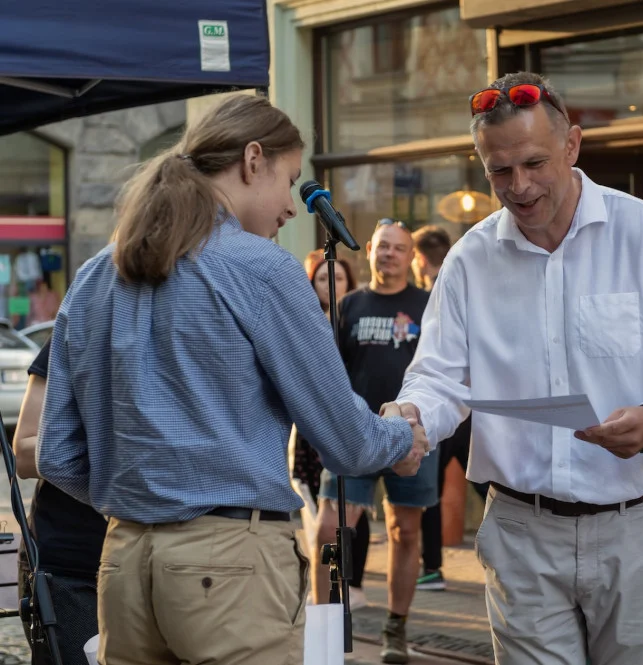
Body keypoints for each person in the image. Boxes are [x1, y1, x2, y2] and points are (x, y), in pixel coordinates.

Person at [34, 94, 427, 665]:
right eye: (289, 180)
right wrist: (401, 434)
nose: (292, 207)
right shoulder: (261, 268)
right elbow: (347, 441)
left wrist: (147, 500)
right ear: (252, 160)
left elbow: (57, 456)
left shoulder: (96, 273)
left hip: (124, 560)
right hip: (230, 562)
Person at [385, 71, 643, 664]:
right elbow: (439, 377)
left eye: (534, 163)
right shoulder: (470, 259)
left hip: (639, 527)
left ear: (572, 145)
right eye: (499, 171)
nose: (519, 186)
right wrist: (411, 415)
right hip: (521, 532)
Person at [312, 218, 437, 664]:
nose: (389, 254)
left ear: (411, 256)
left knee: (405, 531)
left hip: (414, 435)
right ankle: (325, 633)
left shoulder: (428, 304)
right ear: (369, 250)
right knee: (330, 529)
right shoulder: (349, 305)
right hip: (355, 434)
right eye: (383, 246)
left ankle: (395, 629)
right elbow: (327, 371)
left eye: (399, 248)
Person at [13, 337, 107, 665]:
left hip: (169, 559)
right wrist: (115, 444)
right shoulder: (77, 329)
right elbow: (24, 453)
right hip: (71, 567)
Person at [291, 249, 374, 609]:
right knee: (318, 506)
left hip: (349, 422)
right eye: (323, 278)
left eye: (337, 278)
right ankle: (324, 591)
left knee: (353, 506)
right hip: (312, 426)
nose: (330, 284)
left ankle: (353, 582)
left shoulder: (356, 320)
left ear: (349, 282)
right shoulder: (305, 320)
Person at [410, 225, 488, 593]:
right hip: (467, 409)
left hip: (446, 410)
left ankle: (432, 567)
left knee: (432, 492)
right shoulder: (467, 282)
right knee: (488, 487)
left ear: (419, 258)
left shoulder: (437, 293)